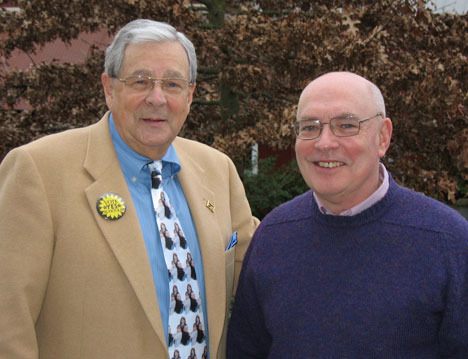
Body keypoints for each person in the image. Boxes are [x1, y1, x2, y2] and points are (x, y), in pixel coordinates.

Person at [0, 19, 258, 358]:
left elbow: (262, 272)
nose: (157, 98)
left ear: (191, 95)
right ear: (109, 88)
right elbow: (7, 320)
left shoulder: (218, 170)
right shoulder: (38, 171)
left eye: (173, 84)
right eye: (141, 81)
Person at [227, 71, 468, 358]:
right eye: (310, 127)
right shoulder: (273, 235)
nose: (324, 142)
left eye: (346, 125)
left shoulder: (446, 240)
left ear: (382, 137)